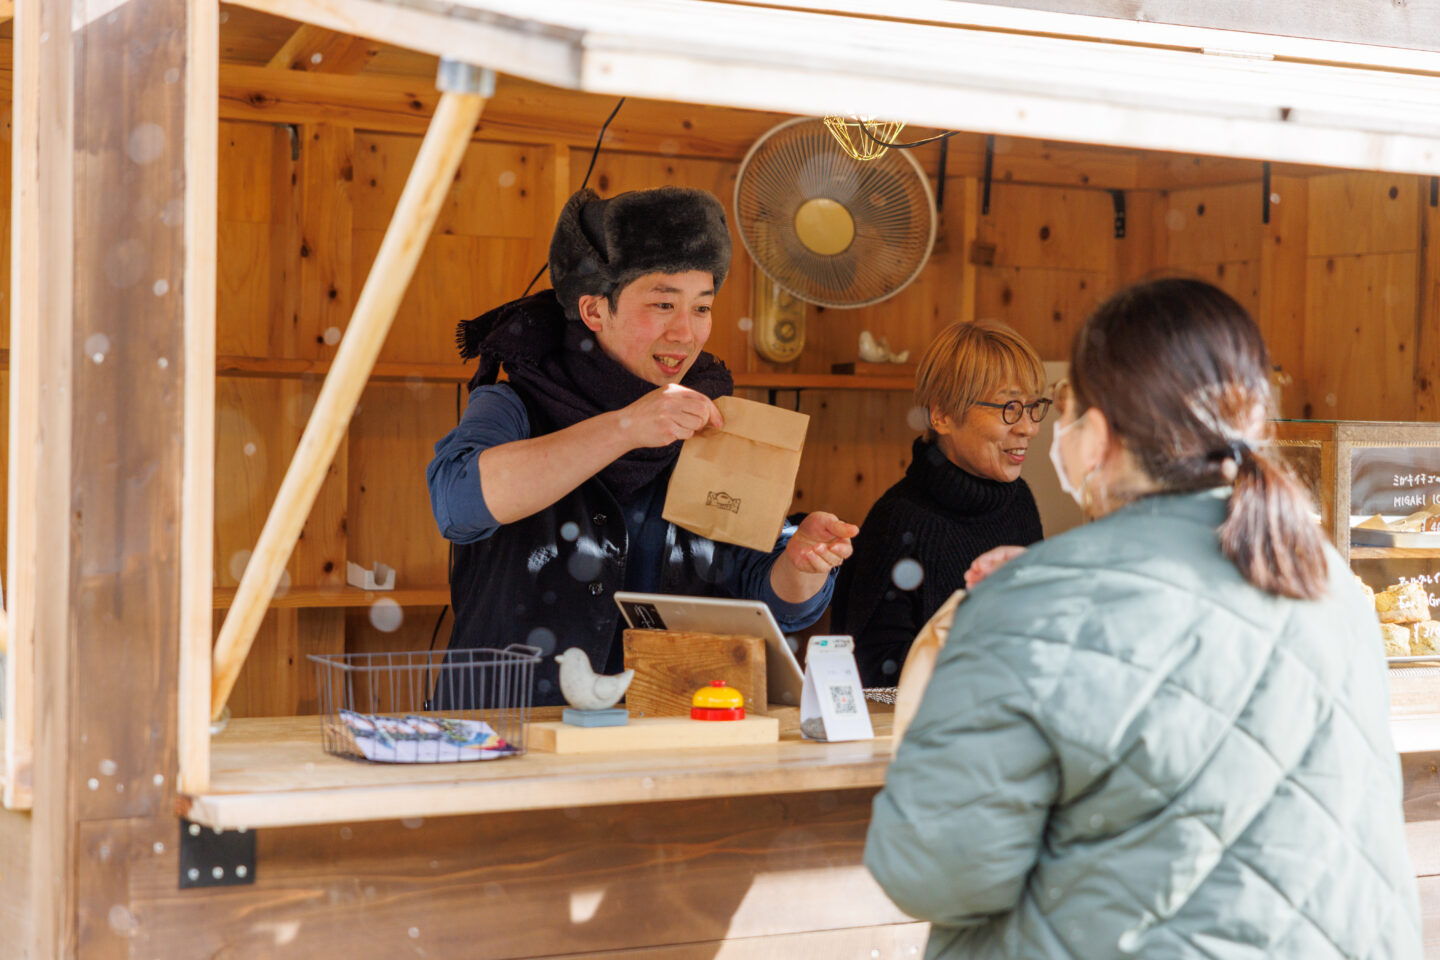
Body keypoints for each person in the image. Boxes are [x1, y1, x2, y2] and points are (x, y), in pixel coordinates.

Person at [864, 278, 1420, 959]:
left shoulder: (1033, 599)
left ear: (1092, 433)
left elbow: (933, 871)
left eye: (1050, 408)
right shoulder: (1329, 582)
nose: (1035, 427)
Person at [427, 186, 857, 706]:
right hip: (508, 734)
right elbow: (457, 502)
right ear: (593, 311)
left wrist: (799, 564)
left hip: (663, 729)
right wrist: (626, 427)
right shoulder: (515, 404)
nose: (686, 332)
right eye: (662, 304)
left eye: (702, 308)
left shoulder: (712, 416)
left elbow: (765, 598)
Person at [831, 319, 1047, 686]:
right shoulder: (900, 522)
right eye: (1009, 407)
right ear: (942, 415)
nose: (1028, 427)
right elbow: (875, 682)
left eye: (1032, 406)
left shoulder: (1018, 501)